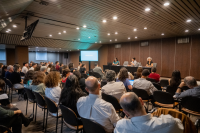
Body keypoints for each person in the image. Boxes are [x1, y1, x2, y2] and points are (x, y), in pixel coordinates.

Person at [114, 92, 184, 133]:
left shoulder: (120, 125)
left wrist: (127, 117)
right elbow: (181, 127)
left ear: (125, 112)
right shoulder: (169, 122)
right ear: (141, 101)